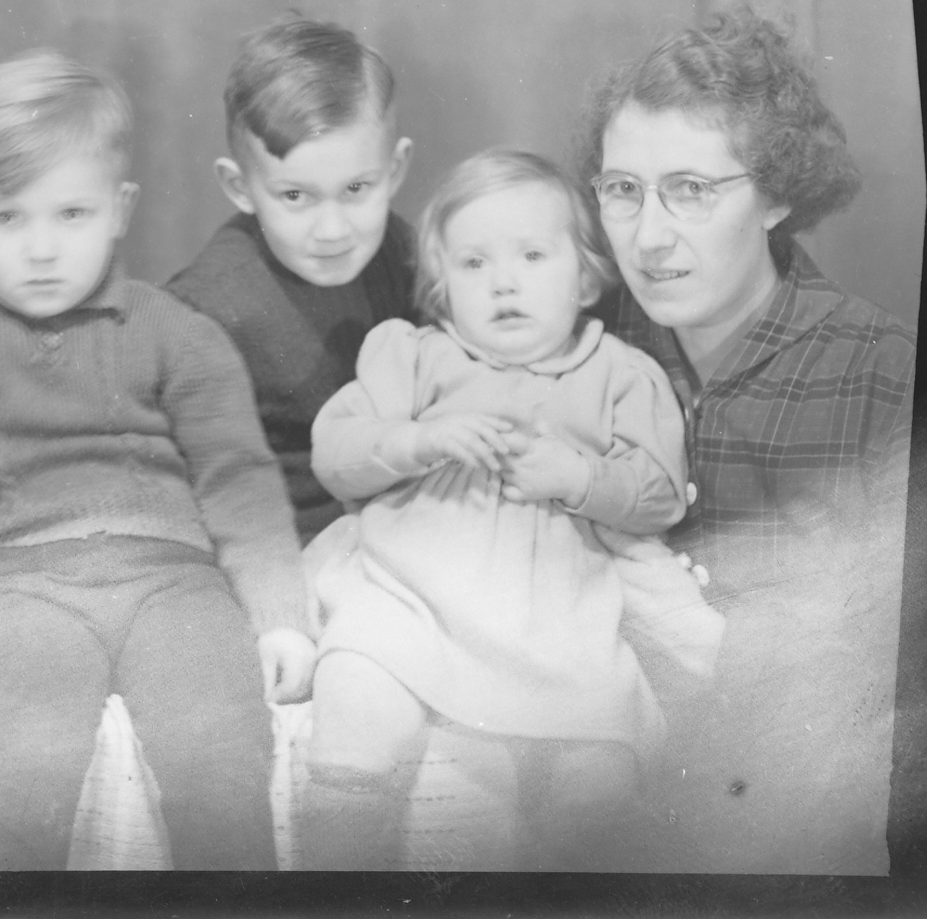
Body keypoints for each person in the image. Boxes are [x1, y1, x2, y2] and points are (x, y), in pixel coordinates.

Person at [0, 51, 317, 871]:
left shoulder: (176, 331)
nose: (41, 249)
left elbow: (238, 479)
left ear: (119, 209)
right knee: (33, 756)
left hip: (173, 583)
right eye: (7, 217)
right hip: (16, 589)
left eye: (71, 214)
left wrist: (278, 614)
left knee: (220, 751)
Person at [305, 150, 720, 871]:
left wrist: (577, 475)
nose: (503, 282)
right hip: (411, 600)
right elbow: (334, 454)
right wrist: (416, 440)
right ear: (442, 288)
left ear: (584, 277)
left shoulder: (621, 375)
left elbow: (658, 495)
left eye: (531, 256)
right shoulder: (416, 358)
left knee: (597, 774)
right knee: (357, 689)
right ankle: (331, 880)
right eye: (473, 264)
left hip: (556, 618)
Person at [581, 9, 915, 874]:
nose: (648, 236)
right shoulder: (567, 350)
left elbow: (909, 693)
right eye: (622, 190)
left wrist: (705, 644)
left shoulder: (889, 377)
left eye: (691, 189)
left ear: (775, 195)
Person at [168, 17, 418, 544]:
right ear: (239, 186)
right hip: (282, 545)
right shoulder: (206, 311)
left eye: (356, 189)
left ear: (394, 170)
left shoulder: (398, 249)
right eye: (295, 196)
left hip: (395, 514)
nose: (332, 230)